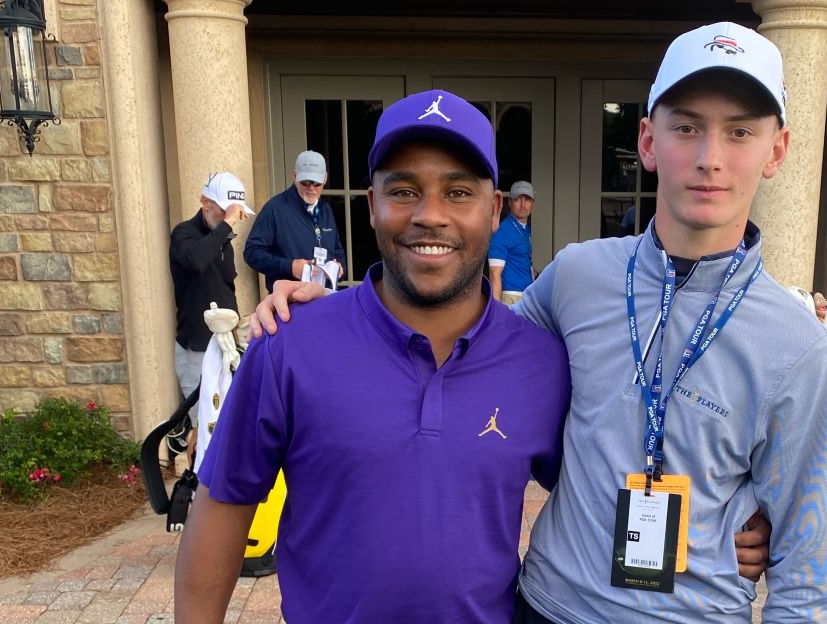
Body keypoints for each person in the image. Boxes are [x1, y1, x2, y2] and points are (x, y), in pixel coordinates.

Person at [252, 22, 827, 623]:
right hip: (547, 607)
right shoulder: (577, 276)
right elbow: (473, 342)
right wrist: (342, 311)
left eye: (740, 131)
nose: (710, 157)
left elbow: (807, 570)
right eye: (686, 126)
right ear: (648, 141)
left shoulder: (796, 342)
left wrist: (740, 513)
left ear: (777, 149)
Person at [175, 90, 573, 623]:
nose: (431, 216)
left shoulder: (539, 363)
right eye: (405, 190)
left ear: (494, 209)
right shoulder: (290, 343)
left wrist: (720, 527)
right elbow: (224, 504)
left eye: (458, 192)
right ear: (371, 206)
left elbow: (594, 491)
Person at [168, 171, 252, 442]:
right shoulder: (184, 233)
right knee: (203, 429)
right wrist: (226, 225)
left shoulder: (222, 239)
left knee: (228, 425)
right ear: (206, 202)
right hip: (197, 350)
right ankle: (196, 483)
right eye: (225, 210)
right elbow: (195, 260)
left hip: (224, 346)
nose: (232, 217)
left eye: (235, 212)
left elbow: (226, 288)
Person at [243, 150, 346, 294]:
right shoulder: (274, 209)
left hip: (324, 297)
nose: (311, 188)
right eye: (305, 182)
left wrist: (339, 268)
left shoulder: (325, 209)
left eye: (316, 183)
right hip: (290, 302)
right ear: (295, 176)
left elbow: (337, 251)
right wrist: (290, 267)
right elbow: (252, 253)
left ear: (325, 178)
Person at [488, 180, 535, 304]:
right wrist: (496, 312)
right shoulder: (502, 231)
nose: (523, 205)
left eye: (527, 199)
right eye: (517, 199)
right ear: (509, 202)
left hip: (526, 295)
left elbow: (519, 260)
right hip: (511, 298)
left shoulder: (524, 229)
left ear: (533, 204)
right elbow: (494, 275)